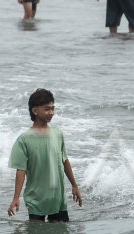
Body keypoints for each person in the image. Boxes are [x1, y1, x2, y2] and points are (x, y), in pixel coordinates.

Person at [7, 88, 83, 222]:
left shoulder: (57, 133)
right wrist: (16, 197)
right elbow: (21, 170)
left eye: (53, 108)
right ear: (35, 111)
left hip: (58, 198)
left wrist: (74, 186)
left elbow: (65, 161)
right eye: (47, 109)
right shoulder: (24, 139)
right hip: (36, 199)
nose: (51, 113)